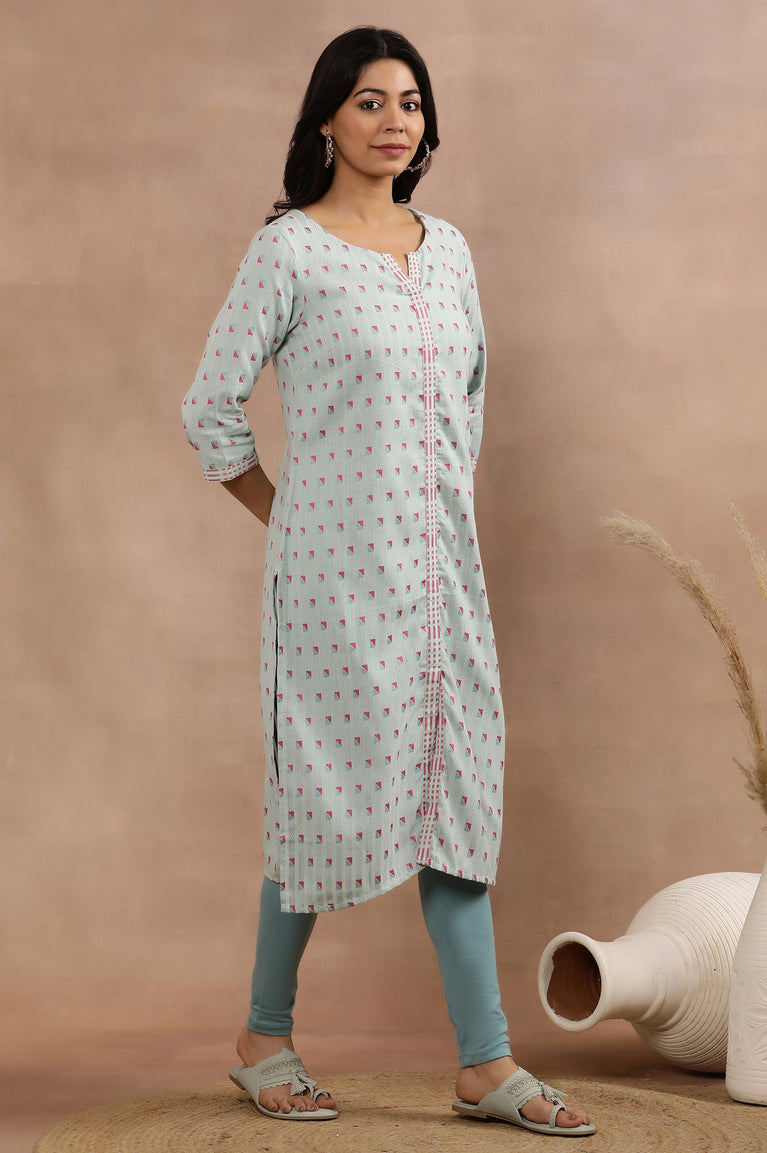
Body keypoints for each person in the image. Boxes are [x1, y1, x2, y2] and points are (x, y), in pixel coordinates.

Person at [182, 26, 595, 1138]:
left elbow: (466, 397)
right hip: (331, 589)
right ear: (326, 118)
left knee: (452, 796)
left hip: (442, 578)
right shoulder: (290, 253)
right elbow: (210, 409)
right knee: (319, 803)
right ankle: (263, 1038)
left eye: (408, 101)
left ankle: (484, 1063)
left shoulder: (446, 250)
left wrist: (431, 519)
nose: (392, 121)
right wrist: (294, 521)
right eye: (368, 101)